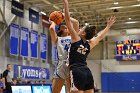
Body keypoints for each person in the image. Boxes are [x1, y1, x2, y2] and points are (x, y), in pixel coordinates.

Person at [62, 0, 116, 93]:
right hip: (87, 72)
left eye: (81, 28)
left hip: (77, 71)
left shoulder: (76, 39)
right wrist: (108, 26)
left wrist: (66, 3)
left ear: (83, 33)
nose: (79, 28)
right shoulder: (89, 44)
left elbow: (67, 20)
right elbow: (100, 37)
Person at [49, 16, 79, 93]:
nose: (67, 28)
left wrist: (64, 16)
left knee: (71, 91)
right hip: (63, 64)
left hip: (72, 64)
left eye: (67, 27)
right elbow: (51, 29)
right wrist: (53, 22)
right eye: (64, 27)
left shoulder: (73, 37)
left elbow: (75, 22)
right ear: (60, 30)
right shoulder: (57, 39)